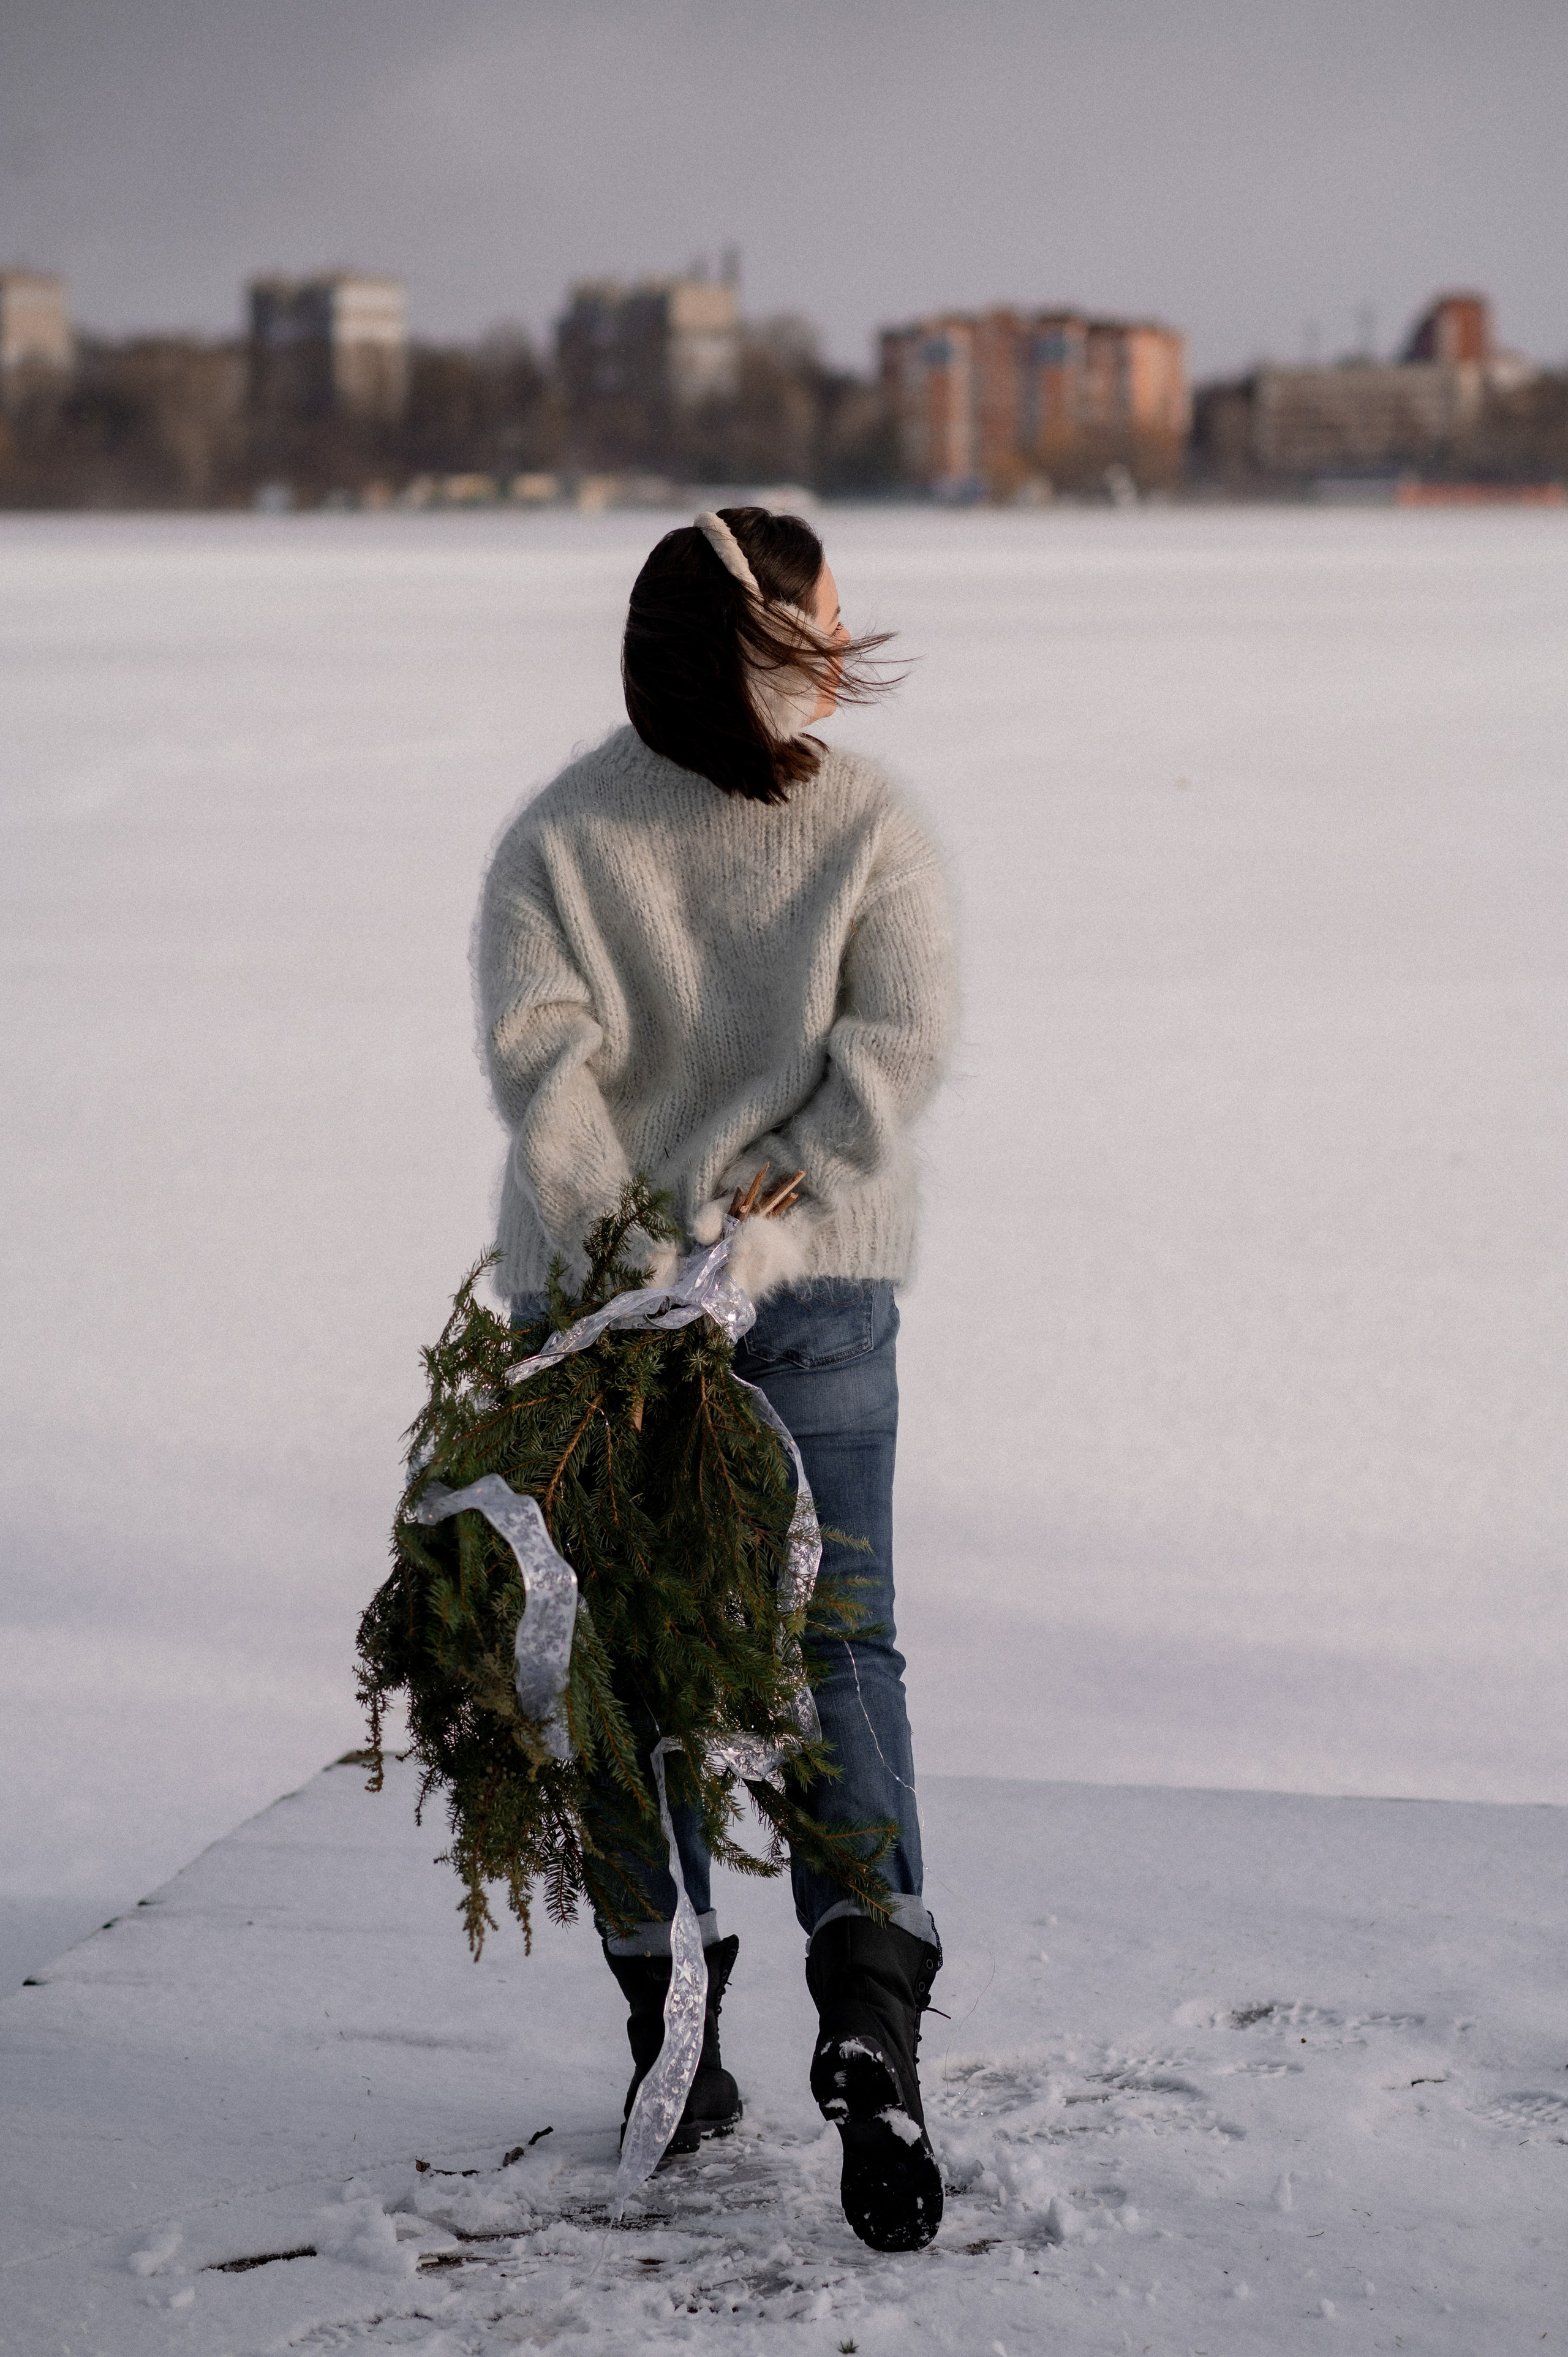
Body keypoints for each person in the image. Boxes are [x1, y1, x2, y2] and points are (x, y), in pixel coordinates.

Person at [475, 506, 956, 2253]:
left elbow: (548, 1071)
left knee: (620, 1676)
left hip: (597, 1332)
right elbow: (892, 1059)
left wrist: (626, 1249)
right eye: (832, 607)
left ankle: (667, 2047)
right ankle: (870, 2013)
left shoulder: (558, 835)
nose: (853, 629)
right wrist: (763, 1221)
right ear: (780, 638)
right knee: (844, 1642)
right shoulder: (875, 824)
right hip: (816, 1298)